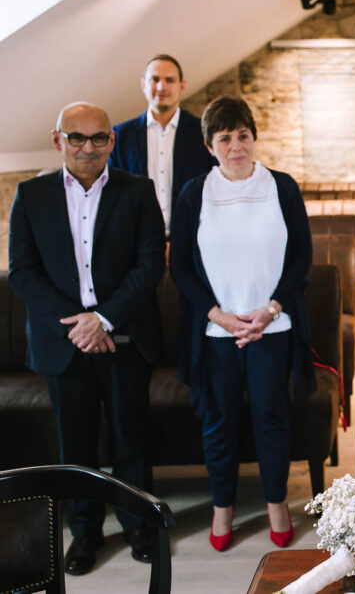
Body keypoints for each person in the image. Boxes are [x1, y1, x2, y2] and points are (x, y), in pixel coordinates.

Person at [8, 102, 165, 574]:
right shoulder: (30, 195)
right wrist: (81, 323)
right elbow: (23, 272)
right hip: (65, 345)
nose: (88, 147)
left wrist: (105, 318)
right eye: (77, 138)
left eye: (99, 138)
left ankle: (139, 528)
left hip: (125, 339)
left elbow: (150, 263)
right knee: (74, 449)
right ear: (59, 141)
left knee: (130, 442)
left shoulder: (138, 191)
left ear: (112, 142)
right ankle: (85, 536)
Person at [169, 95, 313, 551]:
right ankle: (222, 506)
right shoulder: (194, 193)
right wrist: (218, 315)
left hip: (272, 326)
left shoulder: (283, 187)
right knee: (219, 421)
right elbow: (182, 269)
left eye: (243, 135)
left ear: (254, 137)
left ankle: (276, 503)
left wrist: (269, 310)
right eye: (225, 137)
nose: (236, 146)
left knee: (271, 417)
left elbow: (301, 259)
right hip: (217, 331)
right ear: (211, 145)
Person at [111, 54, 217, 235]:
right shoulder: (120, 136)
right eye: (155, 79)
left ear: (181, 86)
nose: (161, 87)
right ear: (144, 84)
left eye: (169, 80)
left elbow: (214, 188)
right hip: (137, 242)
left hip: (192, 238)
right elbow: (113, 194)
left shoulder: (204, 134)